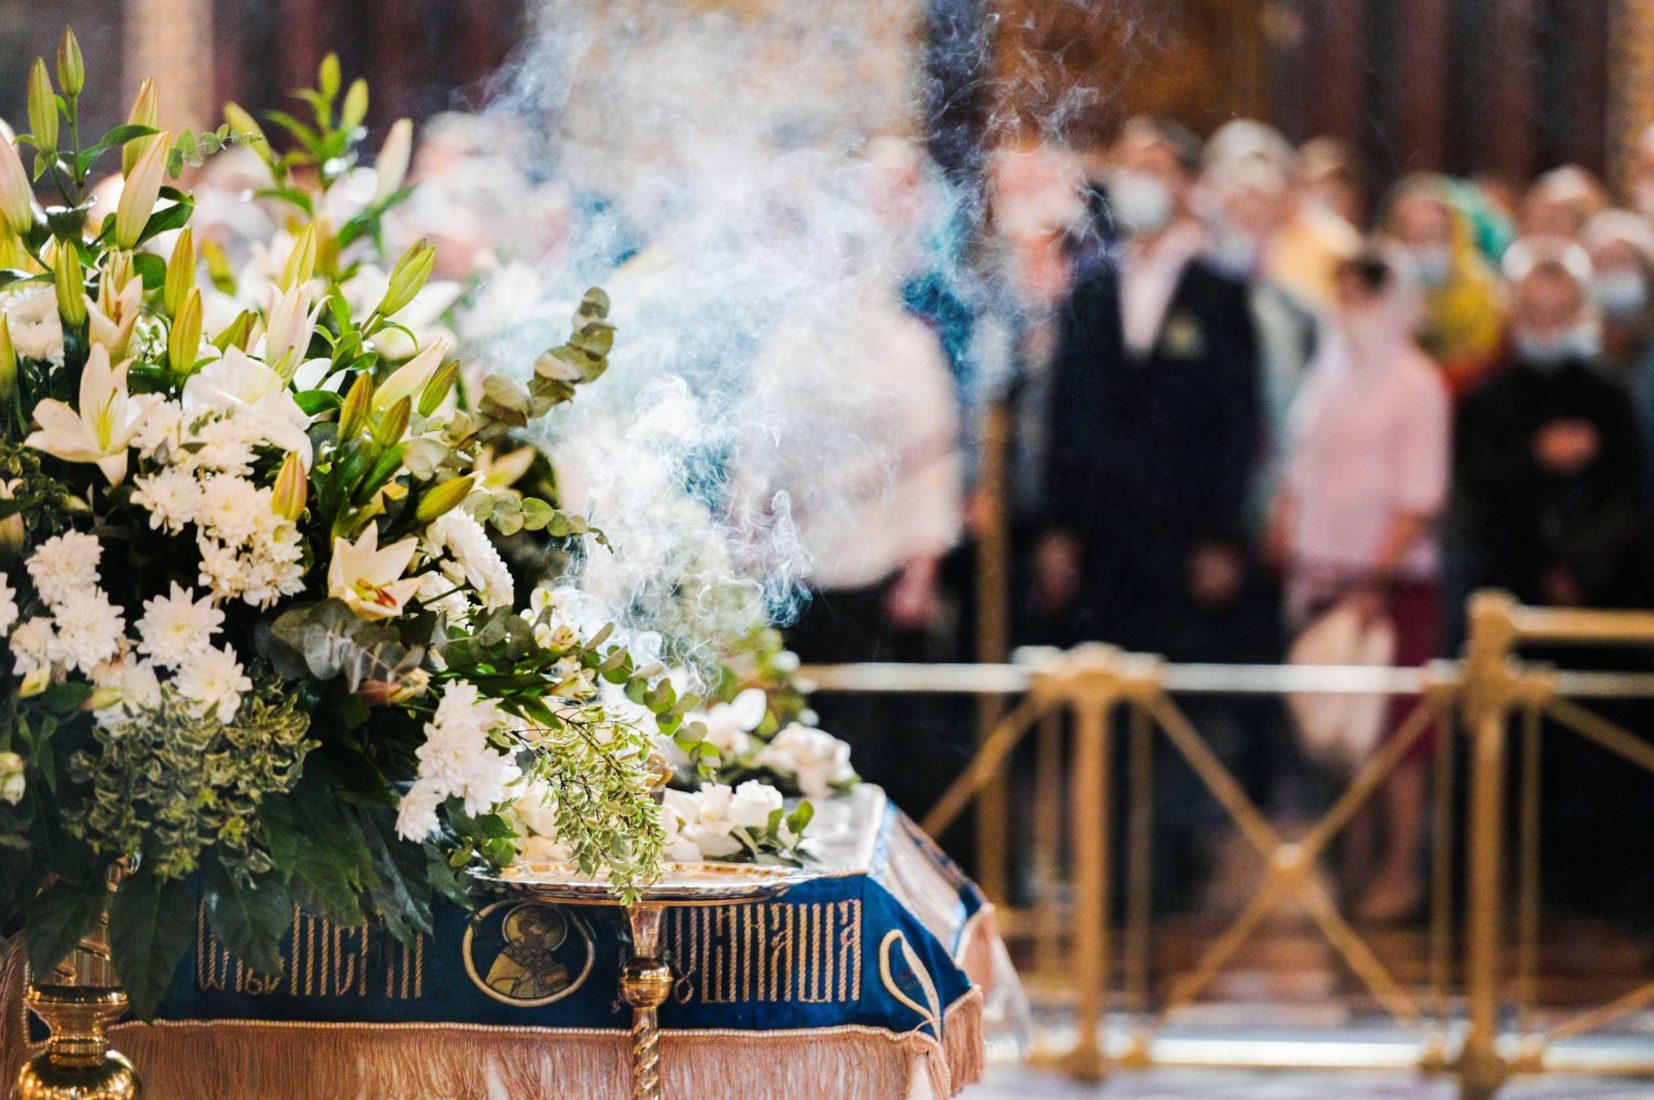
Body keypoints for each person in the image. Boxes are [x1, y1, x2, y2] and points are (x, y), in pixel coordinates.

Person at [1035, 116, 1262, 660]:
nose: (1139, 182)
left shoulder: (1220, 293)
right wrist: (1058, 527)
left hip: (1183, 532)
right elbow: (1064, 412)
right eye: (1130, 168)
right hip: (1099, 532)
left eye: (1154, 169)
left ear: (1186, 184)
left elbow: (1238, 422)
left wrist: (1223, 537)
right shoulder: (1091, 287)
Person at [1271, 247, 1451, 922]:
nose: (1353, 310)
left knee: (1397, 737)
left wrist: (1377, 576)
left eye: (1365, 295)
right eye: (1343, 294)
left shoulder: (1417, 381)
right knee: (1341, 734)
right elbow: (1301, 464)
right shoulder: (1328, 371)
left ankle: (1400, 871)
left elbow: (1420, 493)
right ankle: (1353, 863)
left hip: (1389, 583)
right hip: (1325, 573)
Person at [1454, 238, 1646, 612]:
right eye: (1535, 311)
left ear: (1582, 309)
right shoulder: (1485, 397)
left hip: (1603, 592)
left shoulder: (1610, 395)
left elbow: (1627, 498)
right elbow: (1477, 491)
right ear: (1513, 307)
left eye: (1559, 311)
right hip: (1507, 589)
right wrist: (1535, 456)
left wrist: (1581, 570)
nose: (1546, 326)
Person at [1382, 176, 1507, 398]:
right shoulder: (1379, 296)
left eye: (1437, 234)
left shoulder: (1487, 293)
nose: (1428, 246)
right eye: (1417, 236)